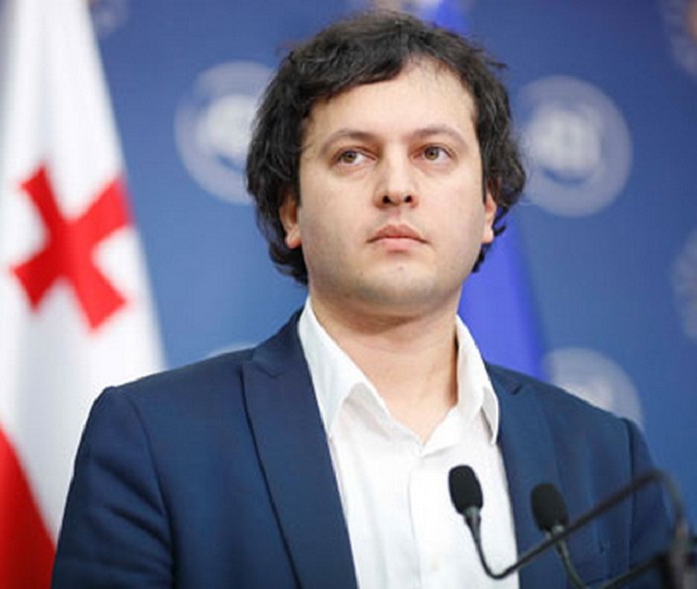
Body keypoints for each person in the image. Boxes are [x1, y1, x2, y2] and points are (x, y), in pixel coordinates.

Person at [52, 11, 672, 589]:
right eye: (353, 156)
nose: (397, 187)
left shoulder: (605, 457)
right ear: (291, 211)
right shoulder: (155, 440)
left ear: (488, 206)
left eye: (433, 153)